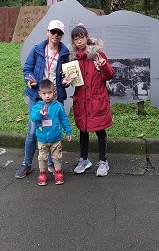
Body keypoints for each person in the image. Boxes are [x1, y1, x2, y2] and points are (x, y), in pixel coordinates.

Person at [15, 19, 73, 179]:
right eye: (53, 31)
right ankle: (26, 163)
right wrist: (30, 79)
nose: (56, 35)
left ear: (62, 35)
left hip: (55, 98)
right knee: (32, 131)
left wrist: (66, 82)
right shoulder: (37, 50)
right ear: (47, 32)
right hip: (38, 96)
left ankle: (51, 163)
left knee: (52, 130)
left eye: (59, 32)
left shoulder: (65, 54)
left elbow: (65, 76)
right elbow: (27, 68)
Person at [67, 23, 115, 177]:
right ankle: (84, 159)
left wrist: (104, 65)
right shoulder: (73, 59)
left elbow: (109, 75)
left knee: (100, 130)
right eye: (76, 39)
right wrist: (66, 81)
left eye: (81, 37)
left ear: (86, 37)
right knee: (83, 130)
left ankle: (103, 161)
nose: (79, 41)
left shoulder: (97, 54)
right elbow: (72, 81)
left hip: (97, 100)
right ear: (73, 42)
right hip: (81, 100)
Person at [30, 79, 73, 186]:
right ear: (40, 94)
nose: (47, 96)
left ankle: (58, 172)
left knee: (57, 156)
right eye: (44, 93)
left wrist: (68, 131)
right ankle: (42, 173)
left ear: (54, 92)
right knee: (42, 157)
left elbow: (64, 119)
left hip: (56, 137)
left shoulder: (58, 106)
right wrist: (39, 114)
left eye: (49, 93)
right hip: (42, 138)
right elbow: (33, 118)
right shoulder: (37, 106)